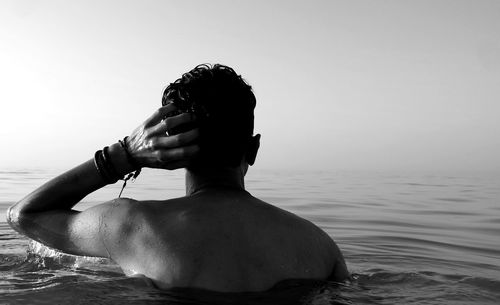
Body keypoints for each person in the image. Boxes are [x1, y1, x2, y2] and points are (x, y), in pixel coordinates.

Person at [7, 64, 349, 292]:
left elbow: (25, 216)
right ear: (253, 149)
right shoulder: (320, 247)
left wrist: (124, 154)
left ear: (168, 147)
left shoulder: (131, 225)